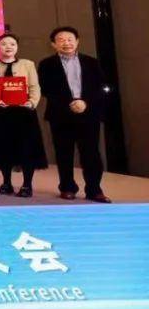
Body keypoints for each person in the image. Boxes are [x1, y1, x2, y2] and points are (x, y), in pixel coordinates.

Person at [37, 26, 110, 203]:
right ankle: (67, 187)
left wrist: (85, 102)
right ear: (54, 44)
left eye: (70, 39)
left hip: (88, 113)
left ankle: (94, 189)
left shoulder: (91, 62)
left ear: (77, 41)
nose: (66, 43)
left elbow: (101, 87)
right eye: (61, 40)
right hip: (60, 114)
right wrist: (69, 103)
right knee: (64, 153)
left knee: (91, 153)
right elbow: (46, 89)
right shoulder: (46, 64)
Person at [0, 33, 47, 197]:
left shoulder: (27, 64)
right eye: (4, 44)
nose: (8, 47)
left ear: (17, 47)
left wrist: (31, 102)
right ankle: (6, 183)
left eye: (12, 44)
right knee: (4, 148)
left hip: (24, 113)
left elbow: (34, 87)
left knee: (26, 149)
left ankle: (27, 185)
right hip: (1, 113)